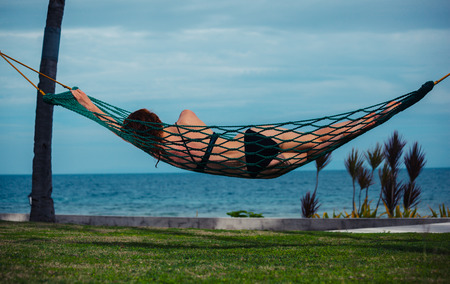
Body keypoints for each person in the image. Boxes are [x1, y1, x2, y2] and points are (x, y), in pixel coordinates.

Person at [71, 89, 398, 178]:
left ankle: (370, 120)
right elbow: (121, 127)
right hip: (250, 142)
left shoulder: (159, 153)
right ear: (155, 120)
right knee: (325, 136)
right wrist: (86, 99)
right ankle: (376, 116)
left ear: (140, 136)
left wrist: (87, 105)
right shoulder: (183, 120)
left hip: (256, 169)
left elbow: (116, 128)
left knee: (319, 146)